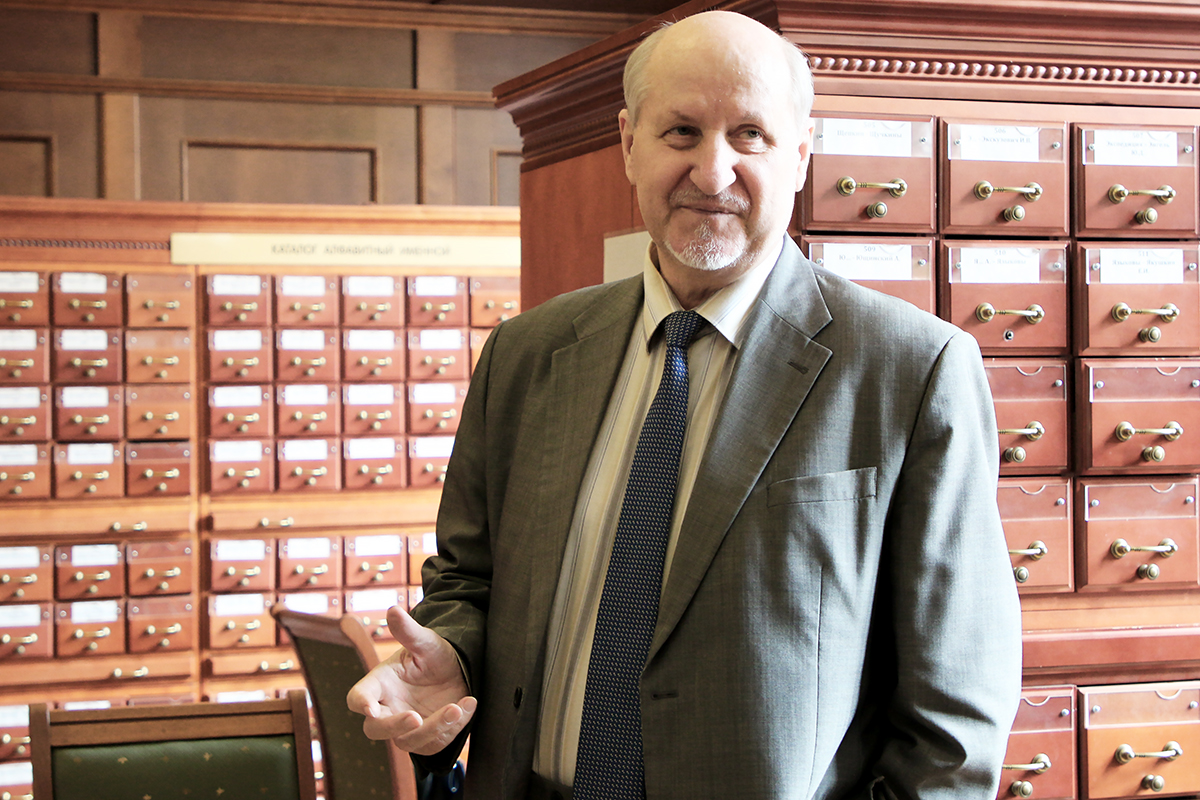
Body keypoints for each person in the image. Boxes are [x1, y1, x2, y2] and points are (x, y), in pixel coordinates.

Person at [348, 10, 1022, 800]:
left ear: (800, 154)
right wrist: (454, 658)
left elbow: (956, 715)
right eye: (681, 133)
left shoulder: (910, 369)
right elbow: (470, 580)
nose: (712, 172)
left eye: (750, 136)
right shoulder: (525, 356)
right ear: (628, 143)